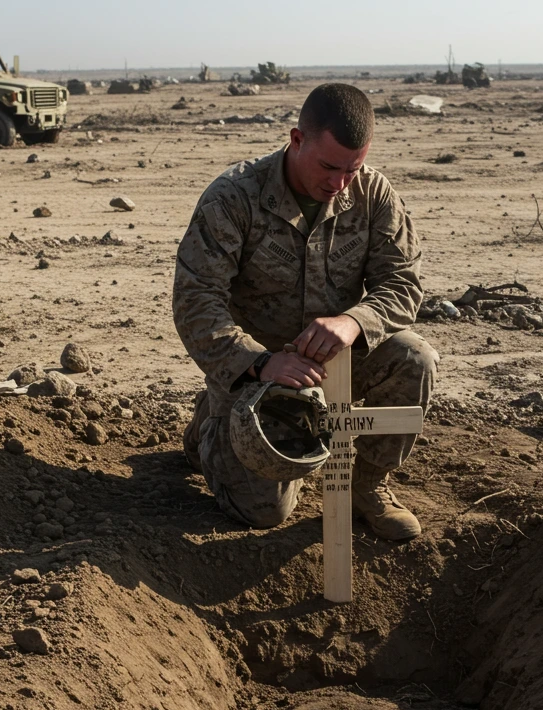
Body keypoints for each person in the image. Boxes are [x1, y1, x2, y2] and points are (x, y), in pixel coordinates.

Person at [174, 82, 437, 540]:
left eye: (352, 170)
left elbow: (404, 283)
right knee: (264, 512)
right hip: (258, 374)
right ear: (297, 140)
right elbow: (196, 302)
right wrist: (260, 363)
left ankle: (367, 485)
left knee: (415, 357)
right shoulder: (234, 197)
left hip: (337, 360)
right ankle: (211, 429)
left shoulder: (374, 194)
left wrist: (354, 322)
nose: (339, 185)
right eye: (329, 166)